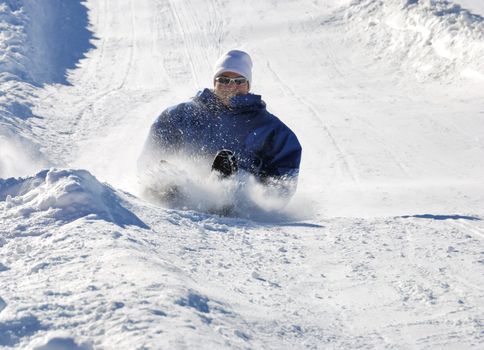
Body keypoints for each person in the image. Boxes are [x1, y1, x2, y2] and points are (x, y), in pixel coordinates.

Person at [138, 50, 302, 203]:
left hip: (238, 201)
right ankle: (175, 190)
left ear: (248, 85)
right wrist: (158, 178)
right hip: (182, 196)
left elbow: (283, 180)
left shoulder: (270, 128)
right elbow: (151, 156)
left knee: (231, 170)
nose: (231, 87)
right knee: (170, 174)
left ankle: (227, 190)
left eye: (238, 81)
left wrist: (260, 199)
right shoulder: (180, 115)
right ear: (214, 82)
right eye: (224, 80)